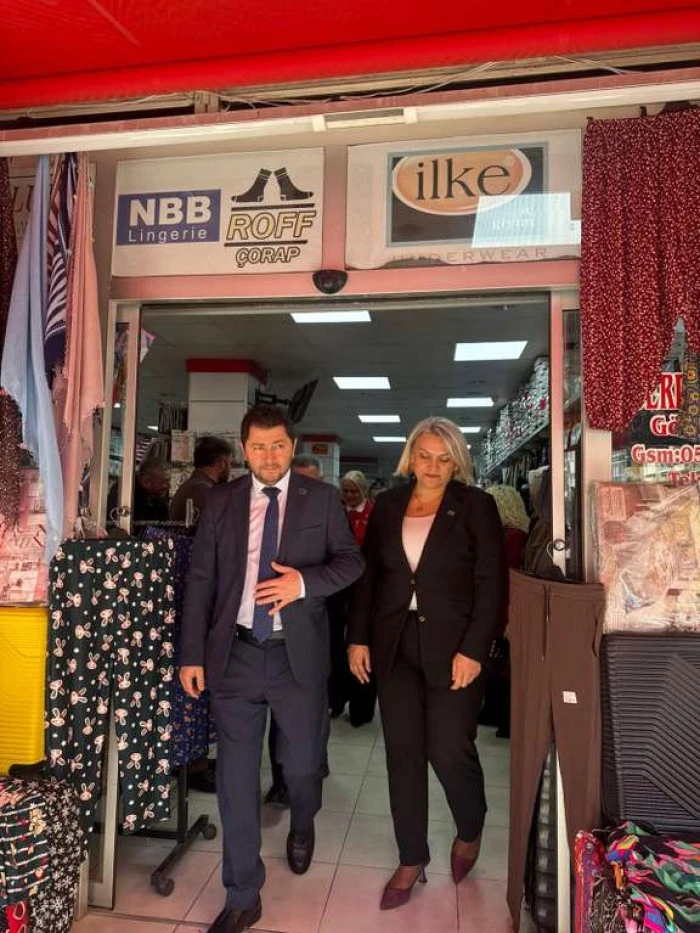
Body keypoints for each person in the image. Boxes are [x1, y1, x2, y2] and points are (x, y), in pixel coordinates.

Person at [180, 405, 364, 933]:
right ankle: (242, 894)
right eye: (258, 447)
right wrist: (191, 654)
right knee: (236, 780)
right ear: (243, 450)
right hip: (235, 655)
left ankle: (302, 823)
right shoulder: (221, 501)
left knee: (302, 766)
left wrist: (300, 583)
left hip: (295, 656)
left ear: (292, 446)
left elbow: (351, 563)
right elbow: (200, 580)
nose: (268, 456)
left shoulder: (321, 499)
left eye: (278, 445)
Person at [348, 417, 507, 911]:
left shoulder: (476, 506)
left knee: (448, 748)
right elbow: (369, 578)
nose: (434, 466)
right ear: (410, 458)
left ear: (457, 462)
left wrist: (475, 650)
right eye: (425, 456)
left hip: (454, 647)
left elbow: (492, 584)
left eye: (444, 458)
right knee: (403, 754)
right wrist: (357, 638)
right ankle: (411, 857)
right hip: (393, 645)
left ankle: (471, 823)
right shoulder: (388, 505)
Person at [264, 452, 326, 809]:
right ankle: (281, 782)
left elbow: (347, 565)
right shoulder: (269, 510)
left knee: (310, 711)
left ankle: (311, 769)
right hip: (272, 632)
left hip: (315, 625)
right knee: (279, 716)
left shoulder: (327, 511)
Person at [482, 484, 531, 738]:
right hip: (503, 605)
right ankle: (495, 712)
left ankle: (503, 716)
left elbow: (508, 578)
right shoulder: (512, 535)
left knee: (503, 663)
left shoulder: (511, 538)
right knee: (499, 661)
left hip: (506, 607)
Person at [339, 470, 377, 726]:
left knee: (362, 642)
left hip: (367, 587)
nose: (350, 496)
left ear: (363, 490)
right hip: (339, 587)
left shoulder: (374, 513)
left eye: (355, 491)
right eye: (346, 491)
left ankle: (362, 707)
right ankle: (337, 698)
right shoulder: (336, 512)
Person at [169, 436, 234, 523]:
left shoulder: (192, 486)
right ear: (222, 463)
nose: (230, 469)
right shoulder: (203, 490)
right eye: (230, 464)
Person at [131, 459, 170, 523]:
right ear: (147, 482)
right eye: (164, 481)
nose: (168, 486)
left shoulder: (158, 500)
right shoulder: (130, 498)